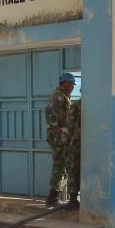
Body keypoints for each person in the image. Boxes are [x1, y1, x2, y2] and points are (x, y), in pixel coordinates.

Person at [44, 72, 75, 207]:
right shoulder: (59, 96)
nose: (72, 87)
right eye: (71, 84)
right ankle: (52, 197)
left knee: (61, 165)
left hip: (60, 136)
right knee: (60, 165)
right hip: (59, 137)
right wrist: (60, 132)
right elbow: (51, 114)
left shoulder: (63, 96)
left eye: (73, 84)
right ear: (64, 83)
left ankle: (53, 197)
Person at [66, 97, 82, 210]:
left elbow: (70, 125)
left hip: (77, 143)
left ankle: (73, 199)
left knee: (73, 169)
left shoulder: (76, 105)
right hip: (93, 143)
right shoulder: (96, 103)